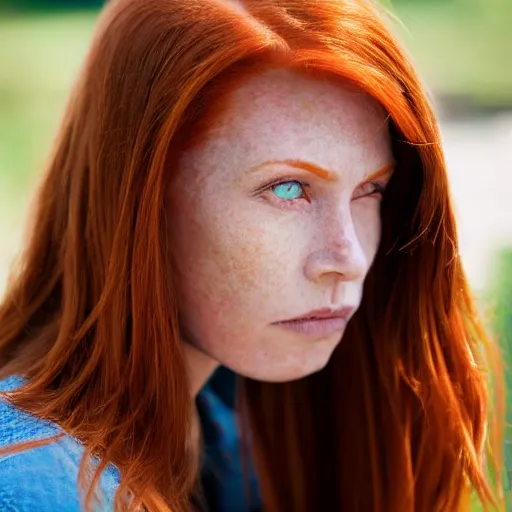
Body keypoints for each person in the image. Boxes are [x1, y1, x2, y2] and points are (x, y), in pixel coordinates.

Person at [0, 0, 504, 510]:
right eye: (288, 190)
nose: (347, 258)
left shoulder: (231, 431)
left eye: (370, 189)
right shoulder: (33, 487)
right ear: (138, 198)